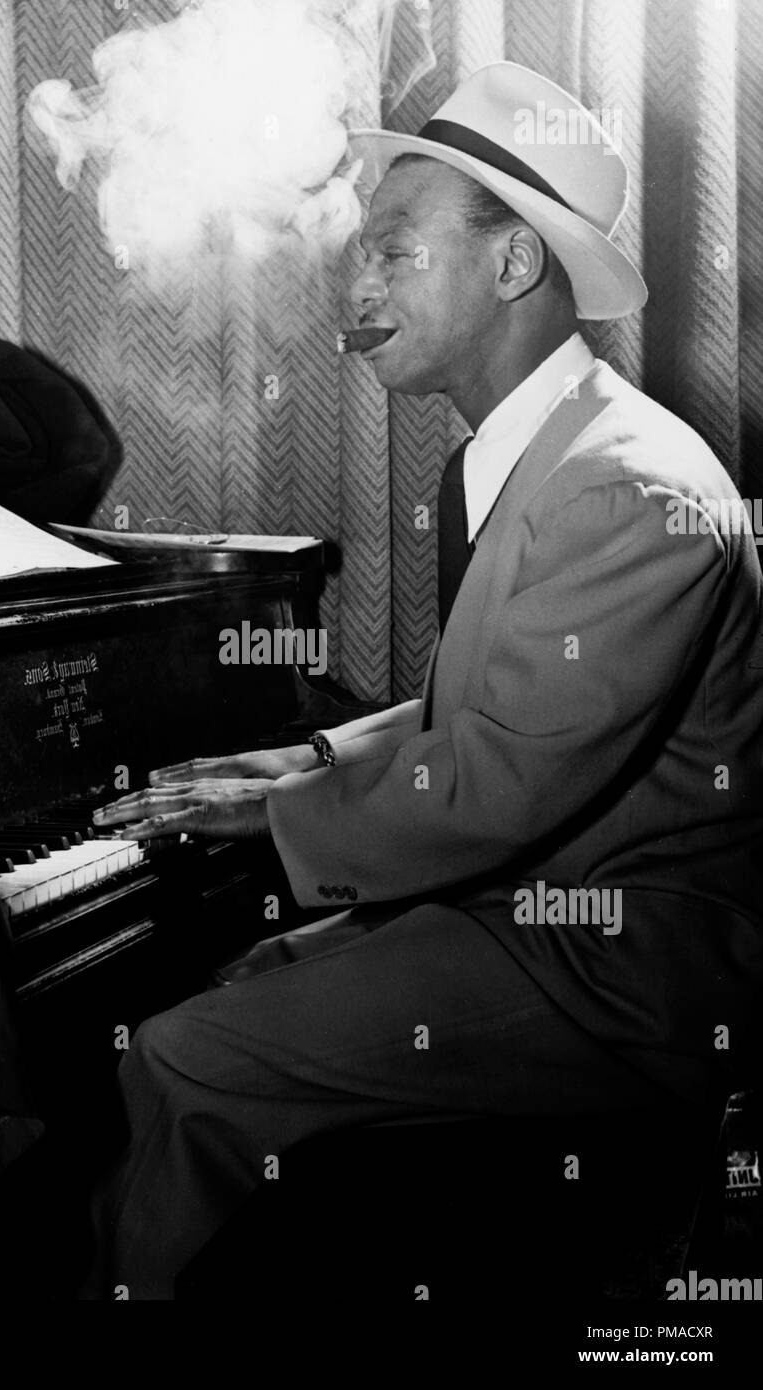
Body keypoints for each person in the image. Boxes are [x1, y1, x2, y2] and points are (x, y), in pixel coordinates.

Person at [86, 62, 763, 1300]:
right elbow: (489, 700)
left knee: (183, 1055)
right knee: (232, 985)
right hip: (539, 913)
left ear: (513, 269)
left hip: (618, 965)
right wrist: (306, 762)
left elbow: (499, 781)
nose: (355, 283)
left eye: (395, 252)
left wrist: (278, 818)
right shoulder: (526, 454)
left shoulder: (622, 489)